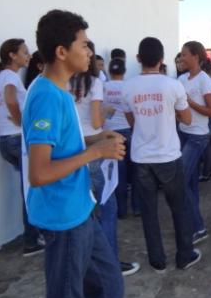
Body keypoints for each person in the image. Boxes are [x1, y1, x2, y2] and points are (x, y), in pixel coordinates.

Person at [22, 9, 125, 298]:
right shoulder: (47, 98)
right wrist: (96, 151)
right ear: (62, 52)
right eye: (84, 45)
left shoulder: (59, 93)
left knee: (109, 284)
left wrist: (95, 138)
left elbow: (62, 145)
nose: (90, 52)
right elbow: (39, 173)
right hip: (64, 219)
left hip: (80, 211)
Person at [122, 37, 201, 272]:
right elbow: (187, 119)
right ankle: (184, 255)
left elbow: (131, 122)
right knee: (179, 207)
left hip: (141, 157)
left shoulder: (128, 86)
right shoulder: (173, 85)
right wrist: (169, 113)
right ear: (162, 59)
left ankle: (157, 260)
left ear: (138, 59)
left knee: (149, 211)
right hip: (168, 156)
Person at [70, 42, 139, 278]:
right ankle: (109, 263)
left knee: (83, 210)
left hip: (70, 150)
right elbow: (97, 122)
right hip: (93, 148)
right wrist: (107, 111)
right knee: (107, 207)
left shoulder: (62, 82)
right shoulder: (94, 82)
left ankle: (85, 263)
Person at [0, 38, 42, 256]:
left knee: (30, 188)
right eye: (24, 52)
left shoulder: (0, 76)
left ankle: (36, 233)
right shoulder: (9, 77)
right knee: (31, 190)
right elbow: (10, 99)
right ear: (12, 55)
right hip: (17, 139)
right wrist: (21, 122)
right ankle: (32, 240)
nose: (28, 56)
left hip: (6, 140)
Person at [178, 41, 211, 245]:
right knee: (190, 183)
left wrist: (189, 103)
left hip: (197, 136)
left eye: (184, 55)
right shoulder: (182, 78)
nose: (181, 58)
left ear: (196, 56)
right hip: (183, 133)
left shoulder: (204, 80)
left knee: (180, 181)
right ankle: (192, 223)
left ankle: (199, 227)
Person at [104, 58, 140, 219]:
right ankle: (137, 208)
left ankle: (122, 210)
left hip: (111, 134)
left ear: (110, 70)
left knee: (118, 175)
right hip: (129, 130)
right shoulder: (129, 87)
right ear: (124, 71)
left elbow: (102, 110)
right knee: (136, 172)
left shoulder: (103, 87)